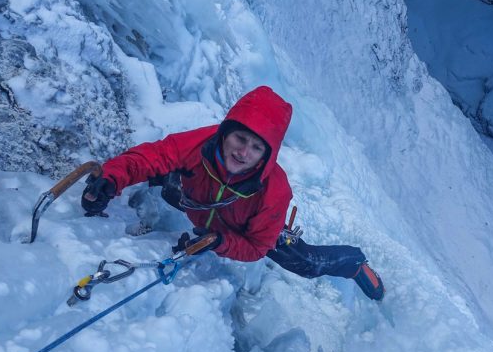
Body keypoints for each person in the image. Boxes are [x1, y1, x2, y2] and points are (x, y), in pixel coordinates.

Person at [81, 85, 385, 300]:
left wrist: (221, 242)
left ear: (268, 155)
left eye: (256, 148)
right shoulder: (202, 144)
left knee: (306, 263)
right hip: (196, 199)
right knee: (165, 179)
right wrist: (111, 179)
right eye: (240, 138)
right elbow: (154, 157)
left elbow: (256, 248)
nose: (243, 153)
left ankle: (354, 263)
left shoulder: (273, 192)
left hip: (243, 230)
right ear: (225, 132)